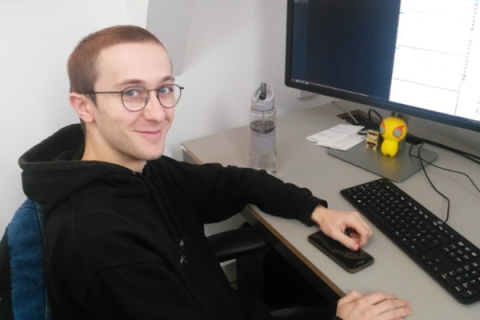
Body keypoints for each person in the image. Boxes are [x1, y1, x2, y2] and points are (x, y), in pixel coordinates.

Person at [18, 25, 412, 320]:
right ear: (83, 106)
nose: (158, 112)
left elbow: (232, 181)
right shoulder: (99, 242)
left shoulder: (136, 169)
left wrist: (316, 211)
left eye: (165, 88)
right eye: (131, 93)